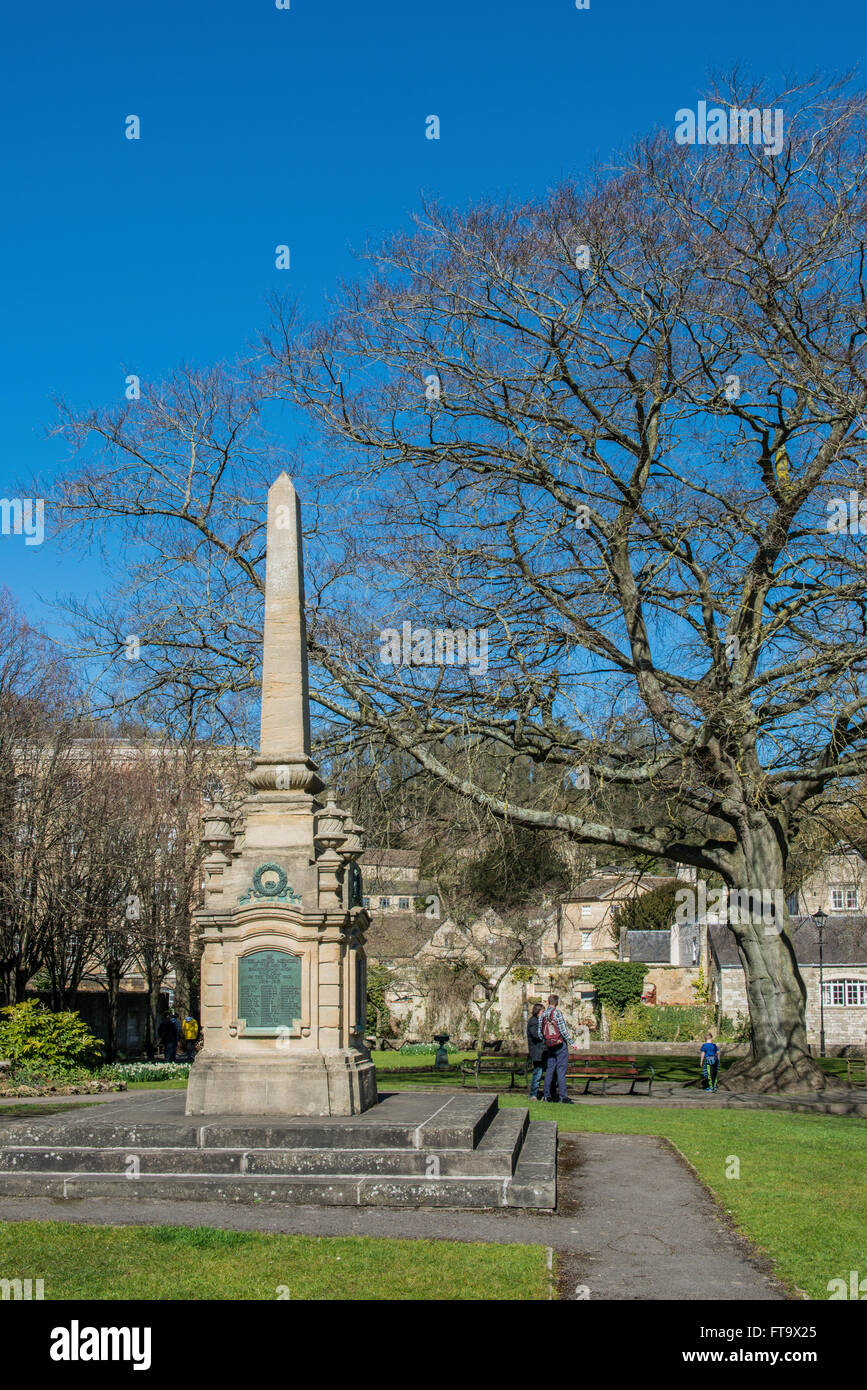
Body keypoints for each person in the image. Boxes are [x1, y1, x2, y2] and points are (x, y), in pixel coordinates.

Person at [541, 994, 573, 1104]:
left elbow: (540, 1032)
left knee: (550, 1070)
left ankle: (546, 1095)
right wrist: (571, 1042)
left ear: (548, 1002)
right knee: (561, 1070)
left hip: (549, 1046)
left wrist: (546, 1041)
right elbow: (563, 1030)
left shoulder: (543, 1014)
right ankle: (563, 1096)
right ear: (557, 1002)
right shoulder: (557, 1013)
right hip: (560, 1045)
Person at [526, 1003, 545, 1101]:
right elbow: (536, 1035)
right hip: (537, 1052)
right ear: (538, 1011)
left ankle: (539, 1093)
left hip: (540, 1051)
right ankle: (533, 1094)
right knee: (537, 1072)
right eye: (542, 1011)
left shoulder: (537, 1021)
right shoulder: (534, 1021)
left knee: (539, 1072)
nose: (543, 1013)